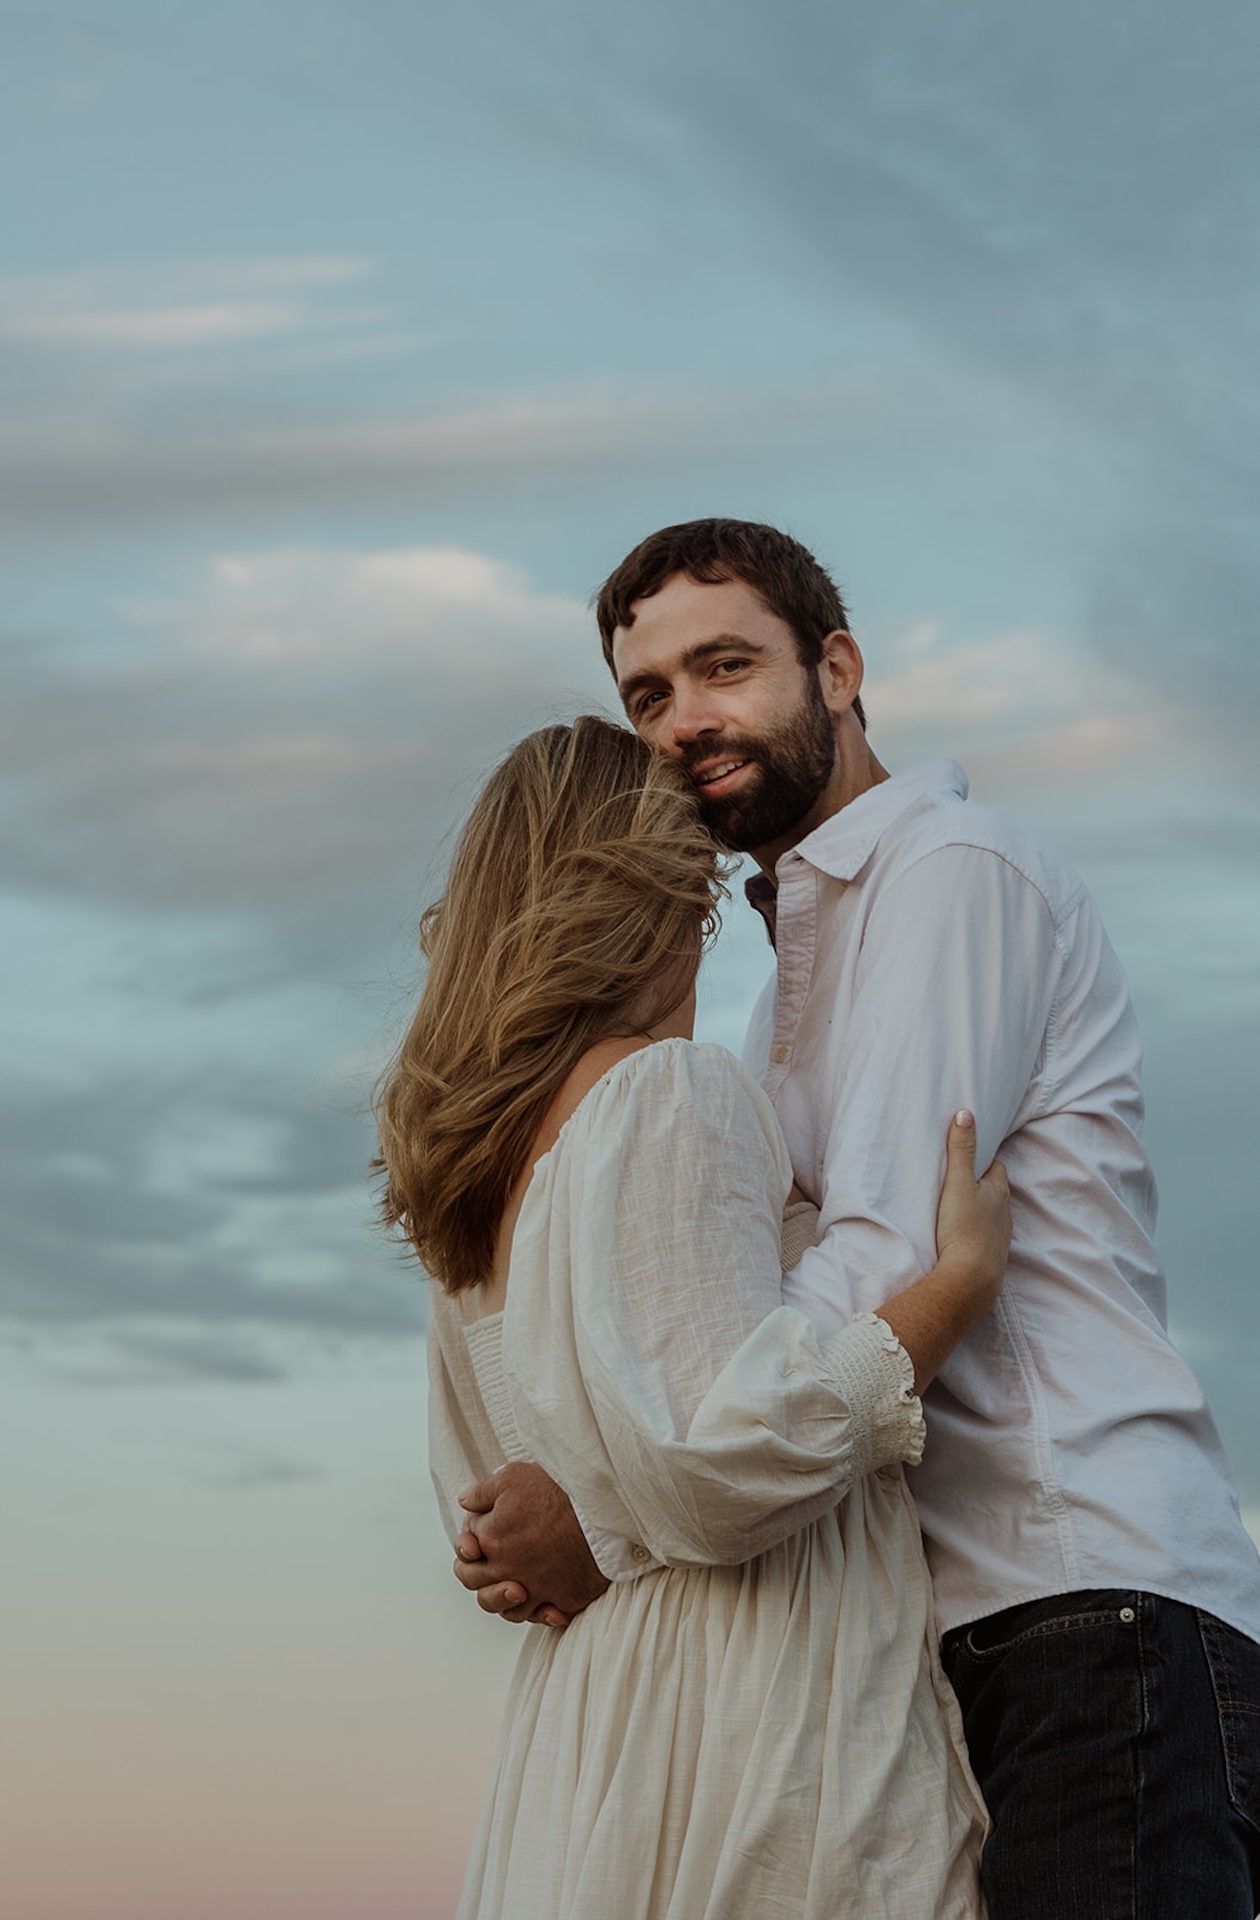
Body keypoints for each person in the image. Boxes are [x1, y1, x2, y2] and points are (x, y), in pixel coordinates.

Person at [454, 522, 1260, 1920]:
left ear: (838, 669)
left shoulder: (950, 873)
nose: (685, 721)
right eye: (649, 695)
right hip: (934, 1625)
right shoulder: (776, 999)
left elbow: (888, 1256)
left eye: (724, 666)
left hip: (1078, 1598)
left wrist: (614, 1515)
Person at [379, 715, 1012, 1918]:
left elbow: (496, 1500)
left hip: (595, 1726)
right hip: (746, 1692)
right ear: (660, 892)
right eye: (703, 879)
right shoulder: (667, 1094)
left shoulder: (469, 1183)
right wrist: (948, 1294)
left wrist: (597, 1526)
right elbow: (724, 1463)